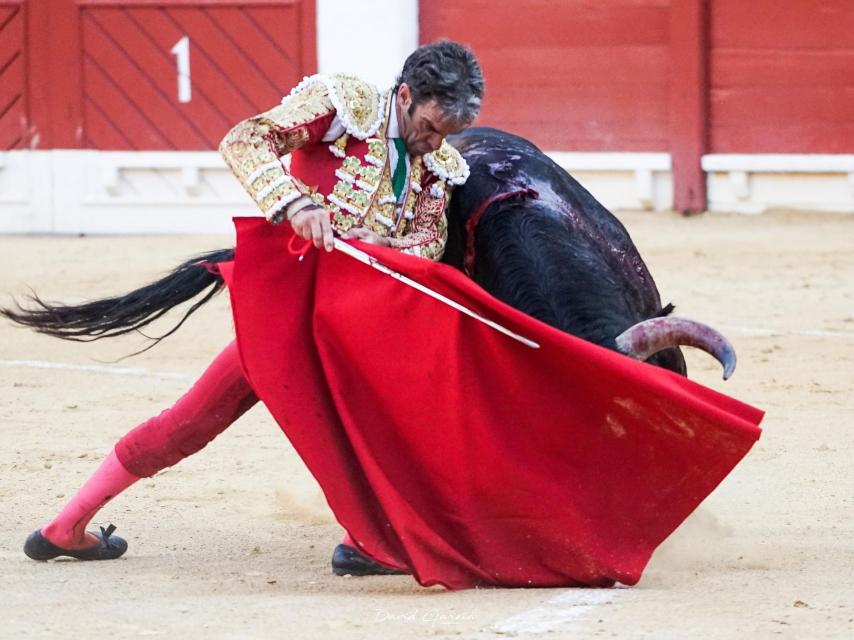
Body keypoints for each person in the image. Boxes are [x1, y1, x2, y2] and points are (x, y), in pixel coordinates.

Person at [20, 40, 484, 576]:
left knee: (386, 411)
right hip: (287, 308)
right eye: (429, 125)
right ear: (404, 95)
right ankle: (67, 526)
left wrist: (376, 243)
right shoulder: (346, 107)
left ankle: (363, 538)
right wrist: (296, 203)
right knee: (191, 421)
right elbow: (246, 140)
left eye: (447, 132)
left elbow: (427, 240)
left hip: (354, 322)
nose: (435, 142)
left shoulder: (440, 166)